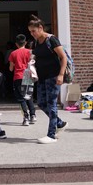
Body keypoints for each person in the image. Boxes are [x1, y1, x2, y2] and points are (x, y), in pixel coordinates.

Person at [28, 15, 68, 144]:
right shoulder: (35, 42)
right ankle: (60, 123)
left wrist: (61, 75)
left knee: (51, 104)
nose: (32, 33)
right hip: (41, 77)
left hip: (53, 76)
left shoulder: (52, 39)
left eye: (33, 31)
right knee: (41, 103)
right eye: (30, 31)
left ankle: (51, 135)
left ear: (40, 28)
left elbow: (63, 58)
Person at [8, 34, 37, 126]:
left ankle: (25, 118)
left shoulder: (13, 53)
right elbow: (33, 64)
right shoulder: (30, 52)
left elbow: (11, 69)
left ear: (16, 44)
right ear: (25, 43)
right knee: (29, 96)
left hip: (18, 77)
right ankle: (33, 115)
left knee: (21, 99)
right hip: (28, 76)